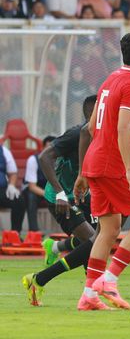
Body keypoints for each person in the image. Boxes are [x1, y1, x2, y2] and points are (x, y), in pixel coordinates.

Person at [73, 32, 130, 311]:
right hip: (113, 164)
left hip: (95, 162)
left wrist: (84, 171)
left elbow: (90, 125)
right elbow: (123, 127)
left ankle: (89, 295)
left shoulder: (110, 79)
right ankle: (109, 280)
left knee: (108, 229)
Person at [22, 96, 98, 306]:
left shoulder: (101, 133)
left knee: (95, 242)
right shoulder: (76, 134)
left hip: (84, 195)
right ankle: (38, 279)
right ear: (92, 113)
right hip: (61, 199)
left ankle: (90, 292)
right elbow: (45, 157)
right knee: (94, 241)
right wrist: (60, 193)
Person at [22, 136, 55, 232]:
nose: (51, 151)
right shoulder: (33, 160)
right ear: (43, 148)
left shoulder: (59, 160)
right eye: (48, 148)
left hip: (51, 190)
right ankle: (34, 231)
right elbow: (32, 187)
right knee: (31, 196)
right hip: (36, 190)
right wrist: (50, 195)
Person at [0, 133, 23, 232]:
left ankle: (15, 234)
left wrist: (11, 185)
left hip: (2, 190)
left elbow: (12, 173)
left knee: (19, 200)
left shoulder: (3, 151)